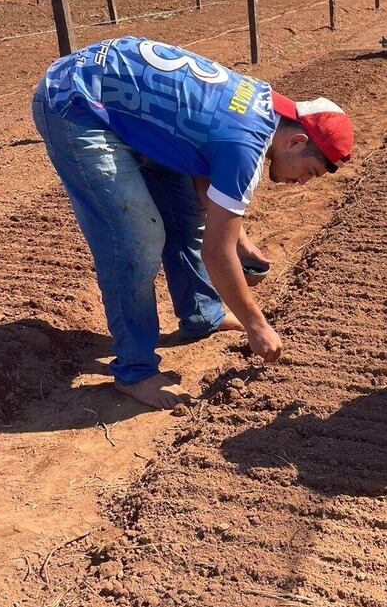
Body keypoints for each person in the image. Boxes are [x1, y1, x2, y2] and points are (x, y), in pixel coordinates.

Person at [34, 35, 353, 410]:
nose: (302, 182)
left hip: (125, 100)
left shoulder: (263, 107)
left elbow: (204, 169)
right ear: (297, 142)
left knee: (186, 216)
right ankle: (134, 370)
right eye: (310, 172)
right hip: (76, 101)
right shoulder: (245, 148)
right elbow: (217, 253)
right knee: (137, 238)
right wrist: (256, 324)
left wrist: (242, 240)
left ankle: (202, 314)